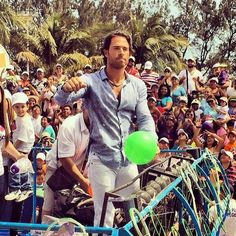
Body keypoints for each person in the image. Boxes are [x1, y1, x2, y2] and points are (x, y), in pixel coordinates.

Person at [54, 31, 156, 228]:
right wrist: (66, 88)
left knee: (133, 211)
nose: (121, 53)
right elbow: (61, 100)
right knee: (104, 216)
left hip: (128, 158)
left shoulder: (138, 85)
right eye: (116, 48)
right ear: (106, 52)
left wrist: (151, 139)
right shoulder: (90, 80)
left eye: (125, 49)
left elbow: (144, 117)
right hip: (102, 159)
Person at [42, 112, 90, 218]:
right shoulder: (70, 125)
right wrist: (83, 181)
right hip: (57, 172)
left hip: (77, 175)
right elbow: (64, 159)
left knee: (70, 212)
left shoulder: (99, 123)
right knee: (49, 209)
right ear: (84, 106)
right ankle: (44, 231)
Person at [5, 92, 35, 201]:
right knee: (21, 171)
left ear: (27, 106)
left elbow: (22, 139)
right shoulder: (19, 118)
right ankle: (25, 188)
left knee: (14, 169)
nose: (20, 109)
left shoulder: (24, 121)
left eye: (23, 106)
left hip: (21, 149)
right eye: (17, 107)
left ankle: (15, 189)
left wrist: (11, 150)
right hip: (21, 149)